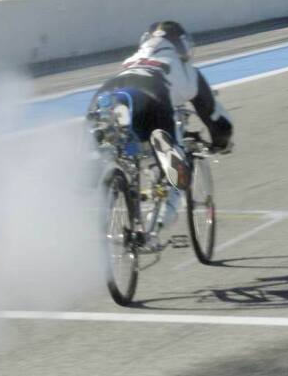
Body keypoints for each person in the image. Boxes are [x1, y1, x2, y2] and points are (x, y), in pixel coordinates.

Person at [89, 21, 233, 238]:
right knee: (175, 173)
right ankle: (155, 225)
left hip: (107, 94)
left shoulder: (132, 60)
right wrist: (221, 141)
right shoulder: (185, 69)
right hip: (152, 99)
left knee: (98, 156)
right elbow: (214, 116)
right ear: (182, 46)